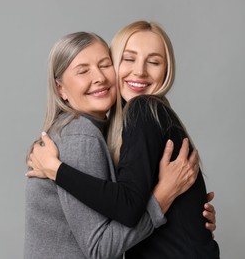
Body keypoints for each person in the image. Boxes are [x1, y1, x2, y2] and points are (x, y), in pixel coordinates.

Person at [26, 21, 220, 258]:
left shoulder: (141, 112)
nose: (140, 71)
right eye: (129, 59)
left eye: (103, 64)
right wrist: (165, 195)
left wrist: (192, 211)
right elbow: (105, 240)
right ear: (60, 90)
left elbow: (126, 203)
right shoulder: (84, 135)